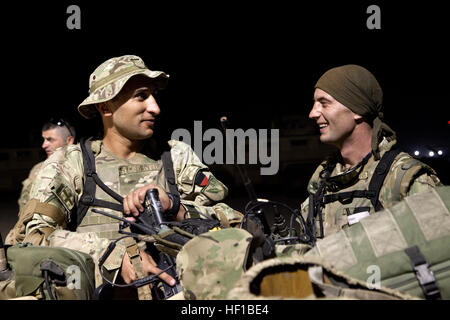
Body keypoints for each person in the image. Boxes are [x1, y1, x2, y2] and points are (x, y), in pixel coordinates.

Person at [9, 55, 242, 299]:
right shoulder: (70, 164)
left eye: (153, 96)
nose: (155, 107)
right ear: (105, 107)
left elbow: (230, 221)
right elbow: (34, 237)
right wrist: (112, 255)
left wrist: (176, 207)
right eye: (141, 96)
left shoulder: (176, 156)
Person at [300, 64, 441, 239]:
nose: (312, 113)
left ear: (357, 110)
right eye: (314, 104)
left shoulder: (404, 180)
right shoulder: (323, 179)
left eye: (324, 103)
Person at [17, 119, 76, 211]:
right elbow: (24, 203)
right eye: (44, 139)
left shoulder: (81, 168)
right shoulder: (37, 169)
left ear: (69, 140)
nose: (44, 145)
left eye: (50, 140)